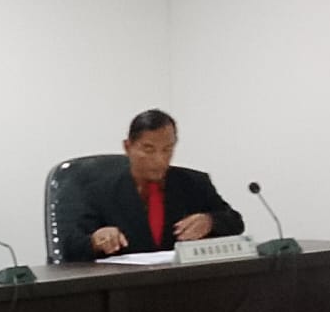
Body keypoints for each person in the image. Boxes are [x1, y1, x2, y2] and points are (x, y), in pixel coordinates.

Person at [61, 109, 245, 261]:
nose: (159, 160)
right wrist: (95, 241)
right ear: (128, 147)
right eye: (149, 149)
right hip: (125, 285)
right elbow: (71, 247)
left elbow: (235, 222)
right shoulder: (100, 192)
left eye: (167, 150)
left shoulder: (195, 183)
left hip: (184, 283)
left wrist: (210, 221)